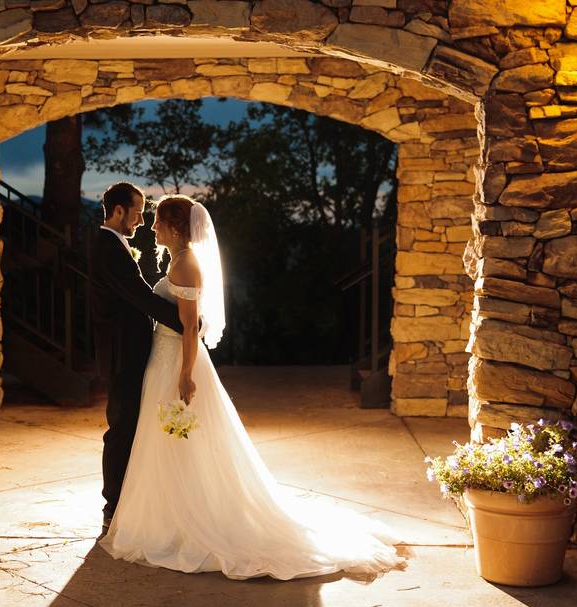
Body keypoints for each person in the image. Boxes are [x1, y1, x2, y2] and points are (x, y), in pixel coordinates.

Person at [99, 194, 405, 580]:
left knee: (181, 439)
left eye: (158, 220)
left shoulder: (186, 263)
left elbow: (190, 326)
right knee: (167, 442)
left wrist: (187, 373)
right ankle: (170, 514)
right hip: (163, 357)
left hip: (176, 360)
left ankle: (186, 521)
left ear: (175, 227)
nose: (152, 226)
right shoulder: (177, 261)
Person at [89, 182, 184, 530]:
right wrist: (187, 322)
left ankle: (125, 499)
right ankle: (113, 505)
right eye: (137, 212)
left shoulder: (113, 245)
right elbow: (139, 296)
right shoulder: (108, 249)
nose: (142, 221)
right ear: (118, 212)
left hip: (128, 350)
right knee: (121, 428)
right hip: (121, 354)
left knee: (129, 425)